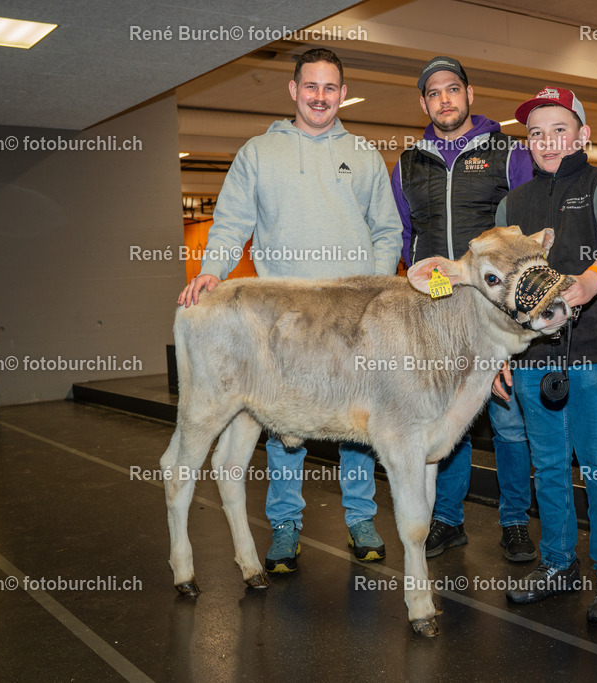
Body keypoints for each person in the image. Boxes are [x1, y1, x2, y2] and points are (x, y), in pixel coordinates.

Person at [178, 47, 402, 574]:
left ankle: (361, 518)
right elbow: (232, 221)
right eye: (311, 86)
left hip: (351, 317)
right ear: (293, 90)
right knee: (283, 421)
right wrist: (212, 269)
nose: (320, 96)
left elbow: (387, 229)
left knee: (358, 421)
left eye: (330, 87)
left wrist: (372, 291)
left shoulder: (365, 155)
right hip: (284, 319)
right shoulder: (258, 153)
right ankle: (284, 524)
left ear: (343, 93)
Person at [493, 87, 597, 625]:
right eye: (536, 133)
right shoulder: (512, 204)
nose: (547, 141)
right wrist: (499, 350)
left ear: (583, 135)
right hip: (533, 360)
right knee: (549, 466)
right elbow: (500, 284)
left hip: (594, 357)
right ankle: (558, 564)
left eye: (559, 130)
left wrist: (592, 280)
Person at [391, 56, 537, 562]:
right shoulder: (408, 164)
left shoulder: (508, 152)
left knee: (508, 420)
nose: (444, 99)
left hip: (496, 307)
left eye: (452, 89)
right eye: (433, 93)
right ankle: (448, 521)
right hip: (437, 311)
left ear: (470, 94)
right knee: (446, 417)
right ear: (424, 103)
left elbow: (525, 230)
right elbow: (404, 236)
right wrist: (427, 290)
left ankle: (514, 522)